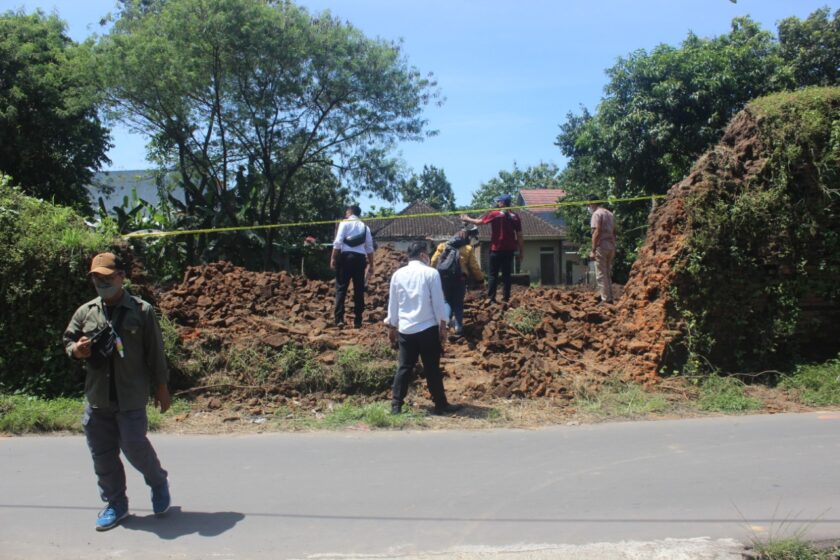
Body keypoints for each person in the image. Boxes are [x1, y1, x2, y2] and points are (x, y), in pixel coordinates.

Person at [63, 252, 171, 531]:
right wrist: (77, 350)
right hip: (98, 398)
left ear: (121, 277)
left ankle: (158, 482)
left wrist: (162, 388)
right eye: (97, 279)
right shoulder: (85, 312)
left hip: (131, 396)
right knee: (103, 455)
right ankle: (116, 504)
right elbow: (68, 341)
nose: (102, 283)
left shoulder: (142, 311)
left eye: (108, 277)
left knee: (135, 446)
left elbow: (155, 353)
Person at [385, 241, 461, 416]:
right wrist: (443, 325)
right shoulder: (431, 273)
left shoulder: (398, 274)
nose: (428, 256)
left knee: (404, 367)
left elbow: (393, 303)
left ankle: (396, 406)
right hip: (427, 329)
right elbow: (438, 302)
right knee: (432, 368)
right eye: (427, 253)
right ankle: (440, 405)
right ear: (422, 255)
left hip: (405, 330)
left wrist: (392, 326)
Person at [461, 193, 523, 304]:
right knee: (507, 275)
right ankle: (506, 298)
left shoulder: (494, 214)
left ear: (503, 203)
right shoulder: (515, 217)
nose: (497, 203)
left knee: (493, 275)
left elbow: (479, 222)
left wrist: (467, 218)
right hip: (509, 250)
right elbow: (519, 236)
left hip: (496, 249)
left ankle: (492, 298)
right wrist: (521, 252)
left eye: (499, 201)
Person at [430, 225, 484, 336]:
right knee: (458, 303)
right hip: (460, 279)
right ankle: (458, 327)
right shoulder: (467, 249)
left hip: (443, 279)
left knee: (447, 301)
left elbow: (434, 260)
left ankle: (445, 324)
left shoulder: (443, 246)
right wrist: (480, 279)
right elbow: (474, 267)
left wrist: (434, 274)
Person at [330, 205, 375, 328]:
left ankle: (339, 319)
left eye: (346, 211)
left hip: (346, 258)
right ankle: (358, 320)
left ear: (350, 212)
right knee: (358, 290)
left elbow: (338, 242)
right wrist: (371, 265)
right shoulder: (365, 227)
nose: (345, 213)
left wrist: (333, 258)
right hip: (360, 260)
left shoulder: (344, 223)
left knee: (341, 289)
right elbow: (369, 248)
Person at [587, 194, 617, 303]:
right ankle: (610, 297)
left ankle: (606, 300)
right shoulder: (610, 214)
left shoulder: (596, 214)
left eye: (589, 204)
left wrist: (593, 249)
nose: (589, 206)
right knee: (607, 273)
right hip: (611, 247)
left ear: (593, 203)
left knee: (601, 274)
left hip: (602, 247)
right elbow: (614, 232)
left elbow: (597, 232)